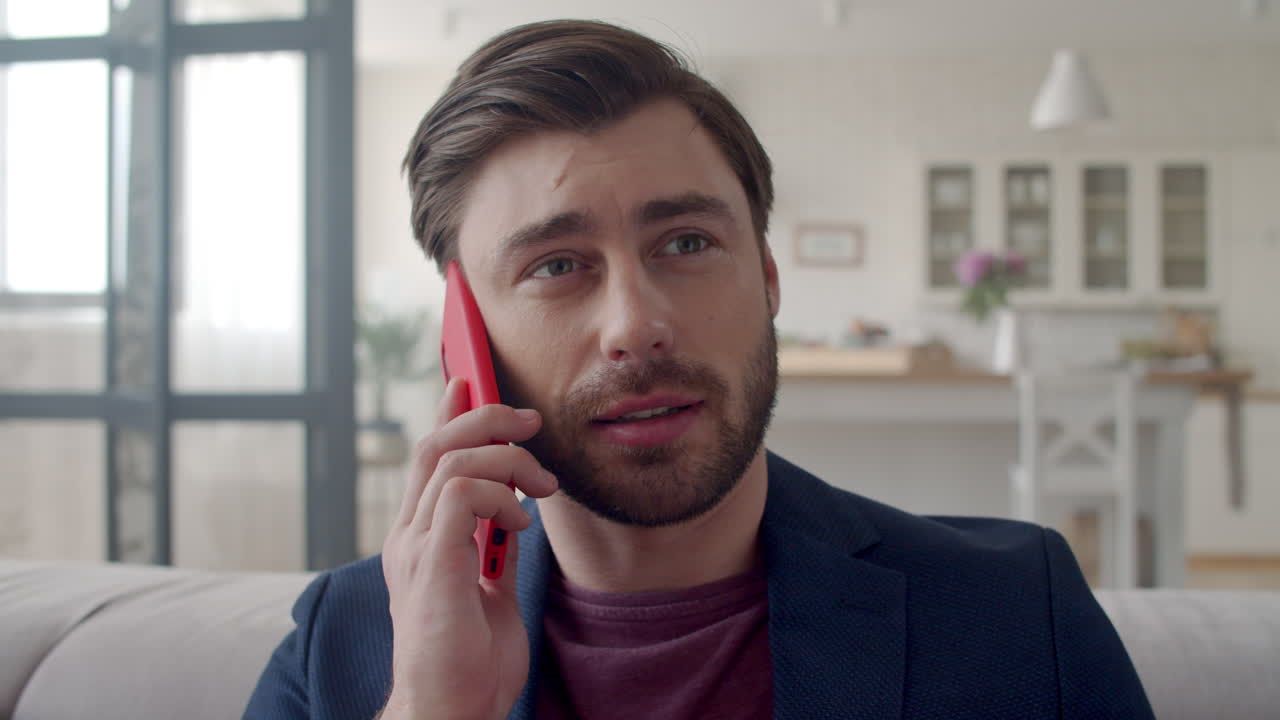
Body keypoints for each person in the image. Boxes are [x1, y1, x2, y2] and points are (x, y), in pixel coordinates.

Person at [245, 19, 1154, 720]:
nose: (638, 325)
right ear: (465, 340)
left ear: (765, 278)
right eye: (556, 266)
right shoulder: (346, 646)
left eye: (686, 242)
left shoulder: (1014, 616)